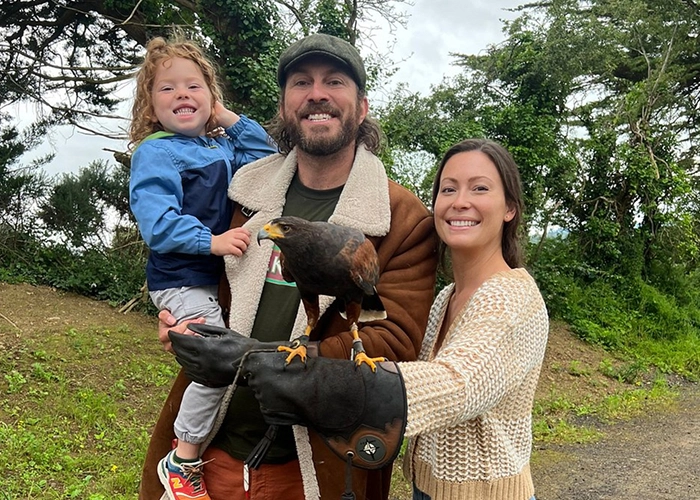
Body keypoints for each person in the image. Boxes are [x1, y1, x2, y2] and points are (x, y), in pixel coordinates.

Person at [138, 33, 439, 500]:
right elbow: (198, 271)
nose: (316, 93)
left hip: (315, 464)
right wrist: (180, 318)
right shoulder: (240, 191)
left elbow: (394, 343)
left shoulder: (402, 220)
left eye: (334, 81)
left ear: (361, 107)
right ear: (284, 107)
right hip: (210, 455)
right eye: (301, 82)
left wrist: (259, 361)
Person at [170, 138, 549, 500]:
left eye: (480, 189)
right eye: (448, 190)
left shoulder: (509, 297)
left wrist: (275, 368)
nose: (460, 202)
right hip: (431, 489)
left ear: (510, 207)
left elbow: (458, 387)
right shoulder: (448, 297)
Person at [128, 34, 277, 500]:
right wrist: (211, 242)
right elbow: (157, 224)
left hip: (213, 280)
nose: (182, 95)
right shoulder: (155, 151)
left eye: (194, 86)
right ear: (150, 105)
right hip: (180, 281)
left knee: (226, 359)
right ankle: (183, 459)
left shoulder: (220, 148)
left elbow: (267, 158)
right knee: (216, 363)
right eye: (167, 88)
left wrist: (227, 118)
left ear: (211, 97)